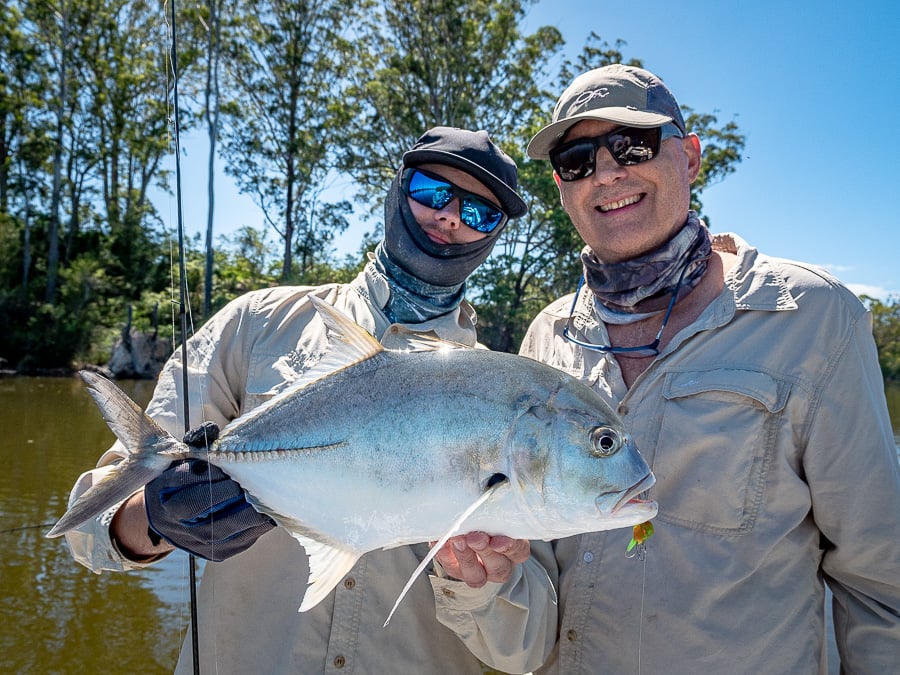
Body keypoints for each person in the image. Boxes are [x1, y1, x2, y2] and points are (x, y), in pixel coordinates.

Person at [433, 65, 900, 673]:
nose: (607, 172)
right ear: (562, 187)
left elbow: (881, 586)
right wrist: (482, 583)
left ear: (690, 157)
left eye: (632, 145)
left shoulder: (814, 318)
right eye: (577, 159)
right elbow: (529, 627)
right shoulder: (547, 337)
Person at [62, 126, 545, 673]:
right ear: (397, 188)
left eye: (480, 213)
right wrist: (152, 518)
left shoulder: (515, 407)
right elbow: (88, 534)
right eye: (433, 192)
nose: (452, 217)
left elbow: (525, 651)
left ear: (495, 236)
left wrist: (482, 584)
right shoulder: (257, 325)